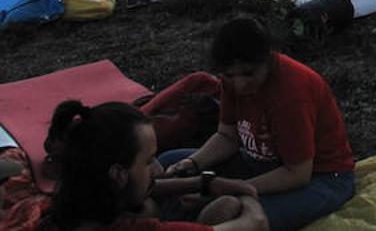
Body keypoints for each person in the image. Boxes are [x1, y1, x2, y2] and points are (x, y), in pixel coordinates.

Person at [160, 16, 355, 229]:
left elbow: (298, 173)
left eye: (249, 73)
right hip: (263, 165)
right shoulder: (232, 83)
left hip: (321, 178)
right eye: (229, 75)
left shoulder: (290, 94)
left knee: (232, 212)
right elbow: (227, 136)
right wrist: (192, 164)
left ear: (268, 59)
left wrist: (233, 188)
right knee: (170, 162)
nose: (240, 84)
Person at [47, 99, 266, 230]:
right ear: (118, 173)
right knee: (228, 206)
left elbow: (142, 186)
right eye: (149, 161)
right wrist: (245, 194)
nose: (159, 170)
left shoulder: (78, 196)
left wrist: (204, 182)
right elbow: (256, 223)